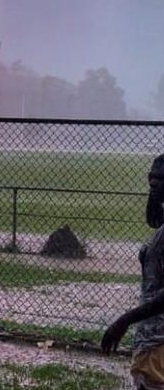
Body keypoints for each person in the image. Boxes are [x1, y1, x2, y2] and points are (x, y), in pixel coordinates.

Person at [103, 153, 164, 389]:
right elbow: (153, 220)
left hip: (158, 339)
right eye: (151, 178)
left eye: (161, 179)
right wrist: (154, 192)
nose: (154, 183)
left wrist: (124, 320)